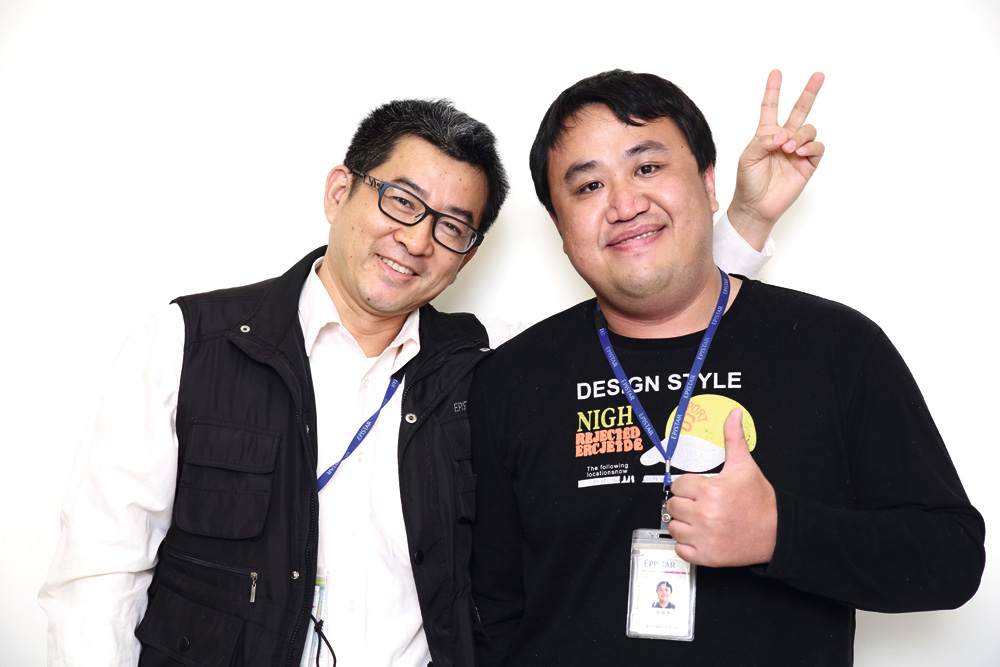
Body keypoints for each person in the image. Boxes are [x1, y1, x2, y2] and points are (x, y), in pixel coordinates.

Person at [40, 83, 806, 667]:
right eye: (401, 201)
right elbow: (98, 577)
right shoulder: (189, 342)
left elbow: (661, 312)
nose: (416, 239)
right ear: (340, 192)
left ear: (468, 253)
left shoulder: (487, 367)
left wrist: (743, 220)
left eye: (452, 225)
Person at [469, 70, 986, 667]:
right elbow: (489, 610)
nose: (625, 205)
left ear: (709, 183)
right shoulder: (511, 381)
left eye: (647, 167)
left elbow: (950, 559)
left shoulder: (835, 347)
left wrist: (780, 532)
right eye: (588, 186)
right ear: (560, 226)